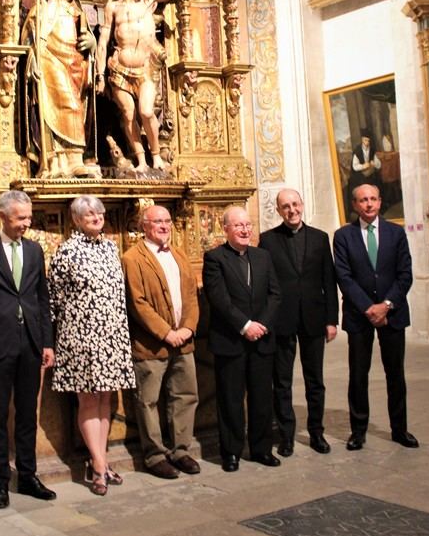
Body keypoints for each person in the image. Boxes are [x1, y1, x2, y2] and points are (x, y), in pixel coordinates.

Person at [0, 190, 56, 510]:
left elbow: (42, 300)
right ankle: (0, 481)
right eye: (20, 218)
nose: (26, 224)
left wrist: (47, 341)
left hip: (31, 343)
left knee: (28, 413)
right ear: (3, 217)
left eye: (29, 217)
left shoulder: (34, 251)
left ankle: (28, 476)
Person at [48, 196, 136, 495]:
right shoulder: (67, 252)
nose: (97, 216)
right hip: (80, 338)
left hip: (110, 336)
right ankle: (98, 464)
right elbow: (53, 299)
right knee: (88, 401)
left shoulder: (111, 247)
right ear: (76, 219)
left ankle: (101, 459)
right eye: (89, 213)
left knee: (105, 401)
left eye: (99, 211)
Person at [333, 183, 419, 451]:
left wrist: (386, 305)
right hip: (360, 316)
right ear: (355, 205)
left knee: (396, 374)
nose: (368, 204)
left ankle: (399, 429)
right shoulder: (343, 236)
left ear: (380, 202)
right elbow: (344, 277)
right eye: (362, 200)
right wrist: (368, 308)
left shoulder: (396, 233)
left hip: (392, 313)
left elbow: (405, 273)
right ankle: (358, 431)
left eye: (372, 199)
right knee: (358, 374)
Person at [96, 0, 190, 171]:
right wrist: (99, 74)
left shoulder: (150, 2)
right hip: (118, 68)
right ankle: (140, 160)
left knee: (146, 111)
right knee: (128, 114)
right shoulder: (113, 7)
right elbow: (103, 41)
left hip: (145, 69)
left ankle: (156, 155)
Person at [122, 205, 200, 478]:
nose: (165, 226)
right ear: (144, 225)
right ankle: (154, 455)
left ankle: (181, 450)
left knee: (185, 395)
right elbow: (137, 302)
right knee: (149, 401)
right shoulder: (132, 258)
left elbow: (191, 295)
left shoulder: (179, 254)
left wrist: (188, 327)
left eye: (167, 220)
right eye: (158, 221)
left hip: (184, 341)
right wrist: (166, 332)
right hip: (152, 344)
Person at [202, 205, 281, 472]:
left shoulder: (263, 257)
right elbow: (219, 299)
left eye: (248, 225)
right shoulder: (214, 258)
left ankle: (261, 449)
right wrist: (245, 325)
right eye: (238, 225)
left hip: (262, 339)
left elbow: (275, 294)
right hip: (231, 340)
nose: (245, 229)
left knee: (261, 399)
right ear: (225, 229)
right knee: (231, 400)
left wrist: (262, 325)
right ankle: (232, 452)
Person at [259, 189, 338, 457]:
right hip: (282, 320)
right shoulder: (267, 241)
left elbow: (329, 281)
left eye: (295, 204)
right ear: (279, 211)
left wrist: (332, 320)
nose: (291, 210)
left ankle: (317, 432)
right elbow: (266, 285)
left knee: (315, 379)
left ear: (302, 205)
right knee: (282, 381)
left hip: (314, 319)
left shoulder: (319, 238)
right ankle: (287, 436)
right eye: (285, 206)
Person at [21, 0, 100, 179]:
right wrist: (33, 57)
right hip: (50, 62)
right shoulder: (45, 8)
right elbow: (31, 37)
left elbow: (85, 40)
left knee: (75, 108)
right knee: (60, 108)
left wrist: (92, 46)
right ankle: (56, 162)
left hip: (74, 66)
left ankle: (74, 160)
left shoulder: (78, 13)